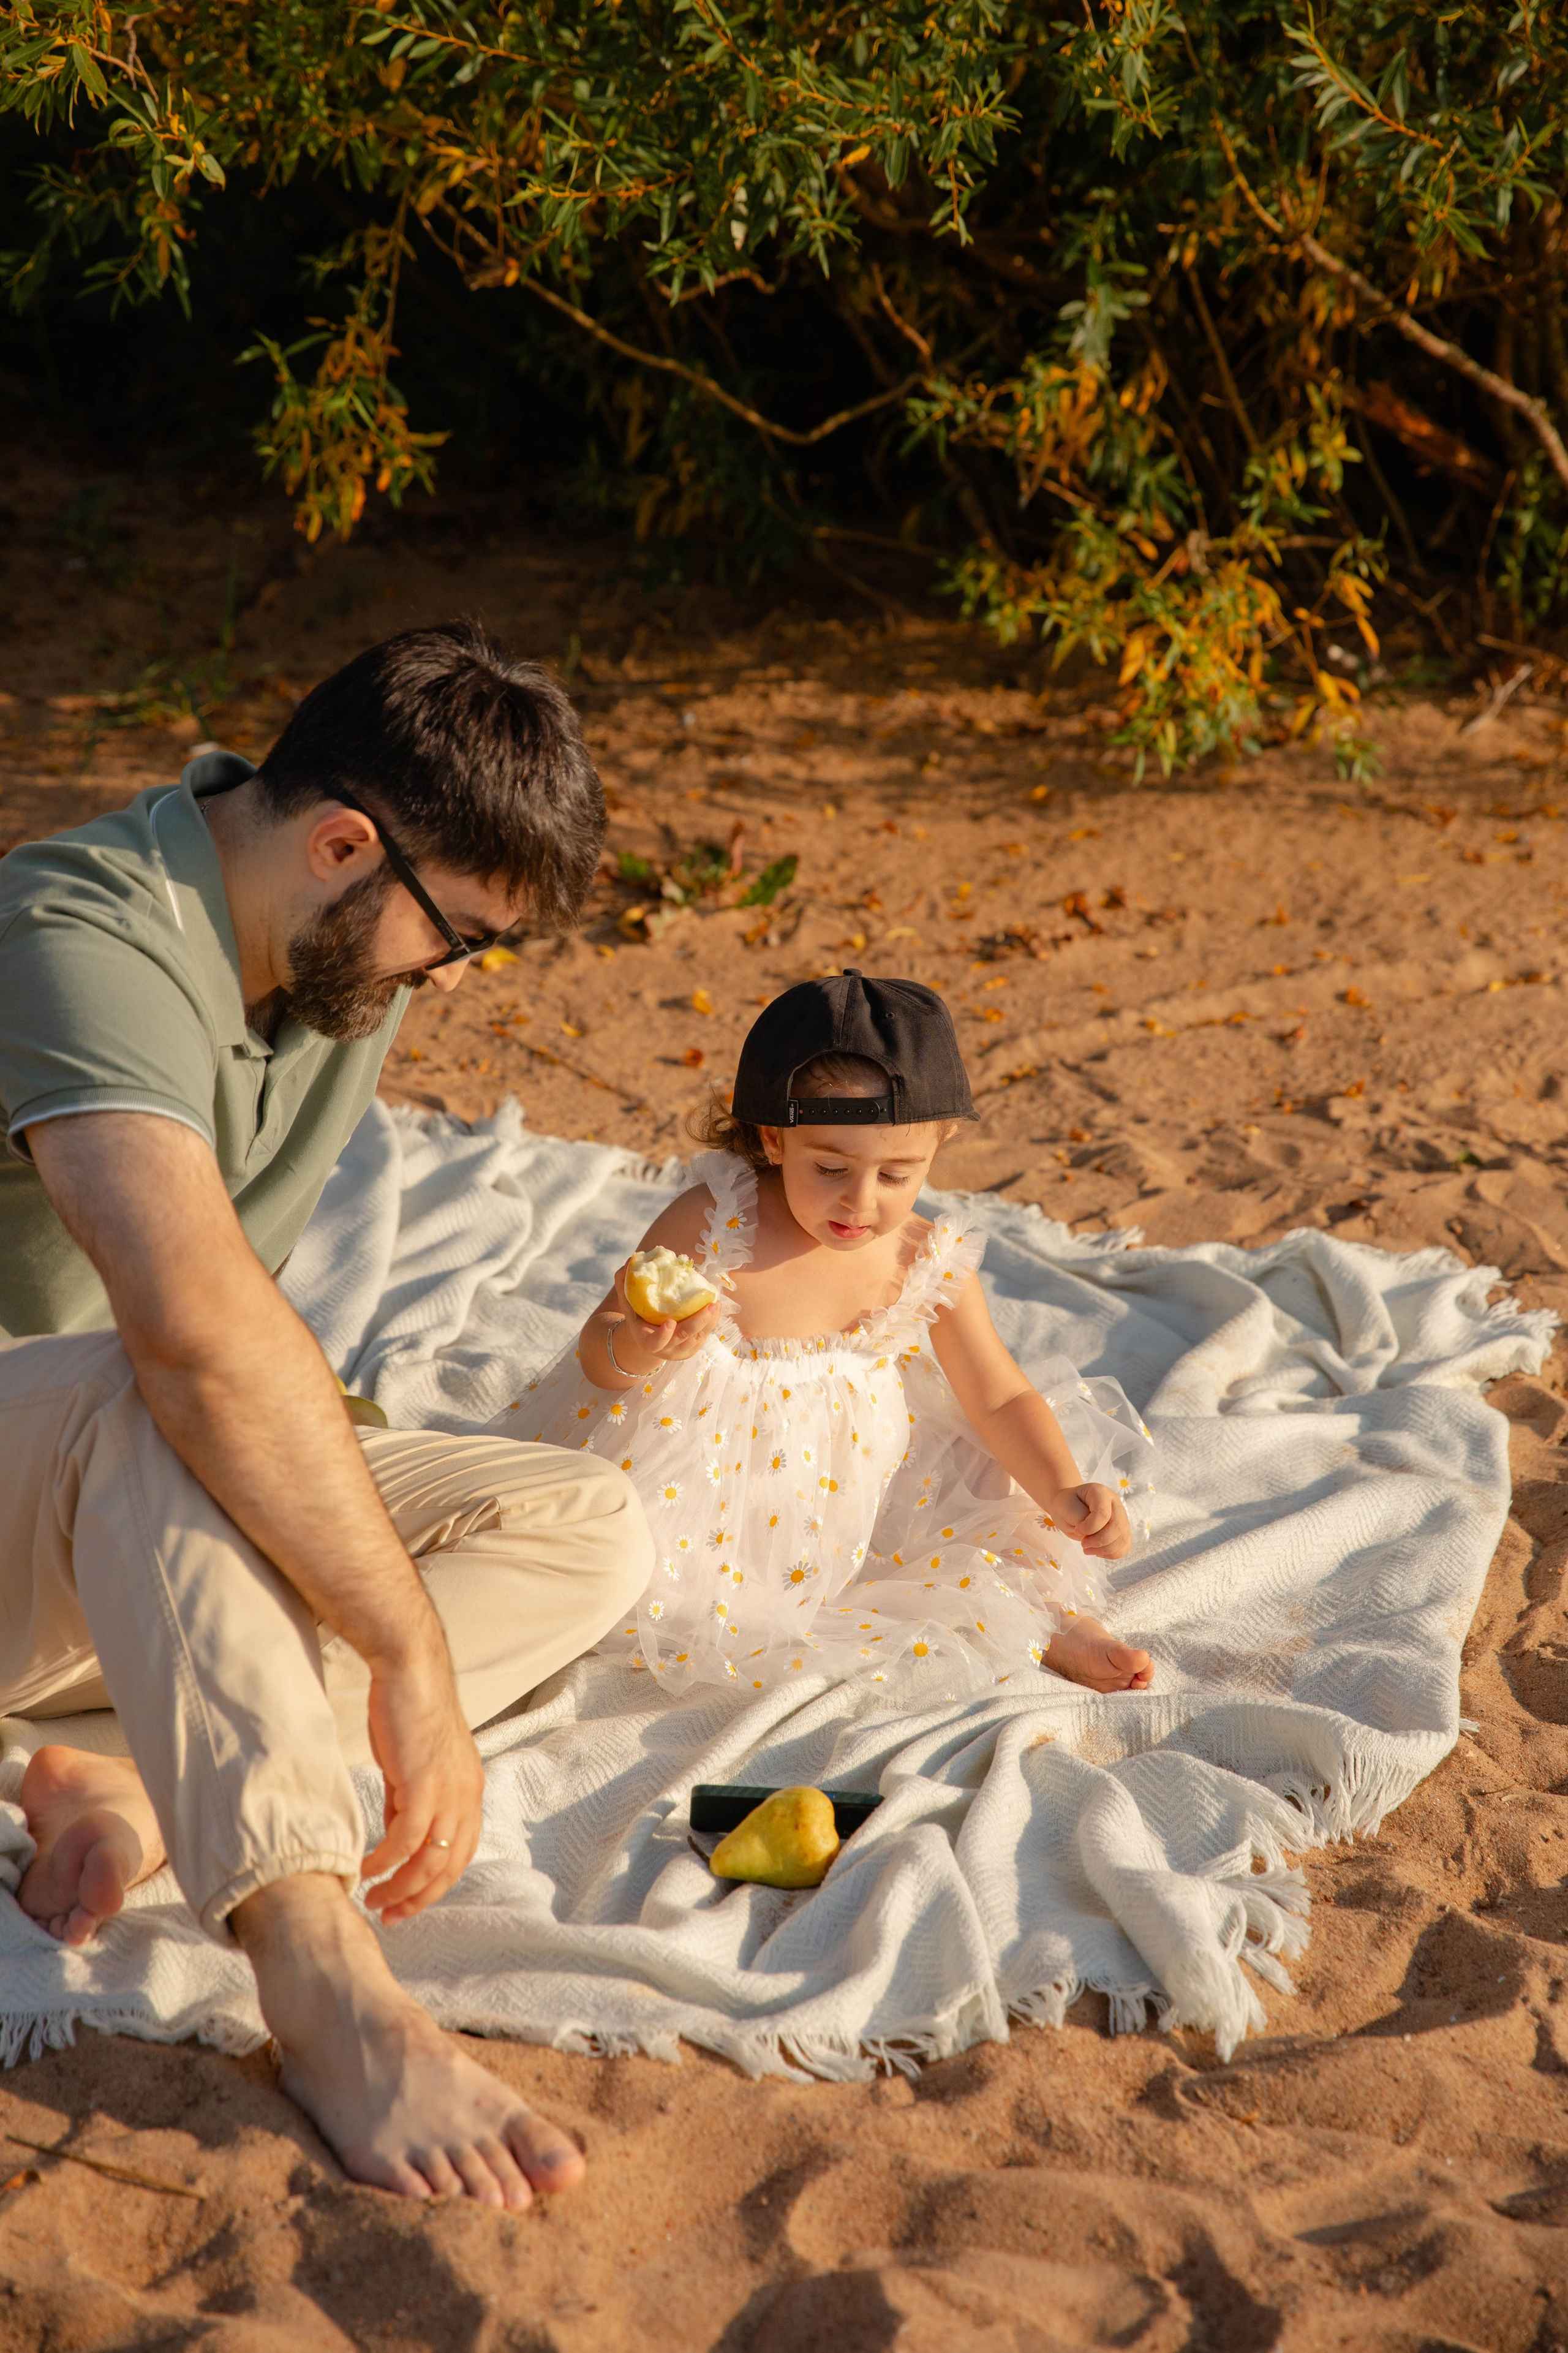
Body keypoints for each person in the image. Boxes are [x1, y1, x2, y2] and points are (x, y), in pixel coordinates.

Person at [0, 624, 654, 2211]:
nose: (451, 974)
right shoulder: (71, 924)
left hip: (112, 1505)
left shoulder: (326, 956)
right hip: (48, 1455)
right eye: (464, 936)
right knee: (171, 1396)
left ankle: (159, 1783)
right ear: (346, 844)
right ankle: (322, 1980)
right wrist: (410, 1654)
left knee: (587, 1521)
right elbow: (197, 1335)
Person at [498, 971, 1156, 1696]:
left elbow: (997, 1395)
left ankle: (1050, 1622)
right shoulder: (717, 1224)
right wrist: (637, 1346)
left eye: (898, 1174)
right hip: (706, 1487)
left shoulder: (923, 1257)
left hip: (855, 1486)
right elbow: (602, 1349)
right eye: (831, 1167)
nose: (861, 1201)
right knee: (622, 1572)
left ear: (937, 1146)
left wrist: (1063, 1491)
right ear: (773, 1140)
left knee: (985, 1504)